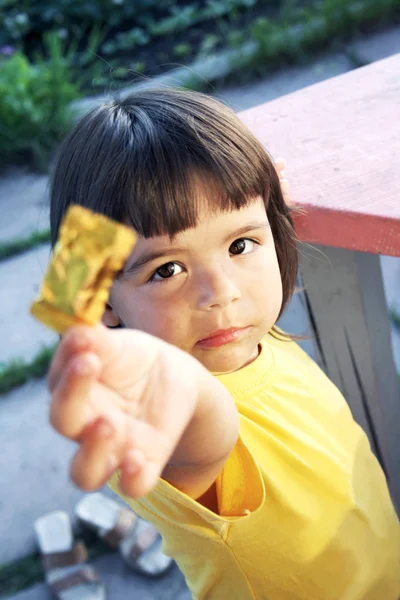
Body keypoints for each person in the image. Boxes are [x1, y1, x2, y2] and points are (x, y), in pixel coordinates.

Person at [47, 88, 400, 599]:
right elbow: (201, 428)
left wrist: (247, 182)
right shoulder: (176, 428)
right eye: (167, 270)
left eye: (239, 245)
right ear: (98, 299)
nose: (221, 293)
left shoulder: (245, 334)